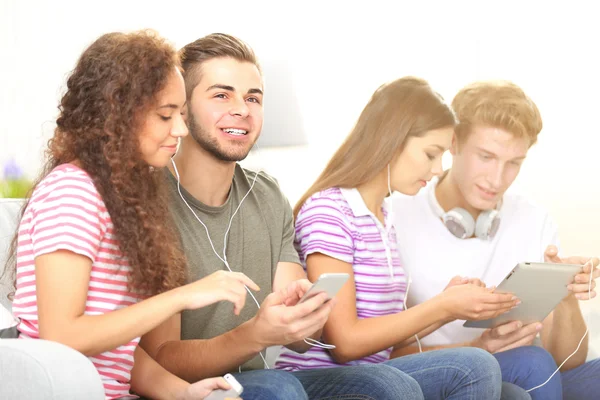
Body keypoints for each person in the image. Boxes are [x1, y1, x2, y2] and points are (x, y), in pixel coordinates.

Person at [139, 33, 482, 400]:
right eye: (222, 95)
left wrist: (304, 319)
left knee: (407, 379)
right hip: (193, 386)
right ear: (182, 108)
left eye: (253, 97)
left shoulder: (267, 196)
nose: (242, 109)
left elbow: (304, 341)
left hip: (261, 377)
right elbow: (163, 357)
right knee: (283, 387)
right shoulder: (148, 203)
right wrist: (256, 334)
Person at [5, 30, 253, 400]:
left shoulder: (119, 199)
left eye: (181, 115)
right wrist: (182, 297)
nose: (181, 129)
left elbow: (117, 355)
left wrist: (187, 393)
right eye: (166, 115)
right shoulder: (73, 193)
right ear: (118, 115)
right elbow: (63, 337)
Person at [271, 76, 522, 399]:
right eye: (431, 154)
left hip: (372, 373)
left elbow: (387, 343)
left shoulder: (383, 217)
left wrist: (449, 306)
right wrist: (443, 307)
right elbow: (345, 344)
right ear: (392, 140)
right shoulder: (331, 211)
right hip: (323, 378)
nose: (437, 170)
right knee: (474, 366)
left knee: (514, 394)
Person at [391, 80, 600, 400]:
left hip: (530, 370)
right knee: (532, 365)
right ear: (454, 143)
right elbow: (378, 357)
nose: (497, 179)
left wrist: (565, 293)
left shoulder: (534, 219)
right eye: (486, 157)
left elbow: (568, 361)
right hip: (441, 375)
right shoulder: (397, 215)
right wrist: (477, 349)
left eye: (513, 163)